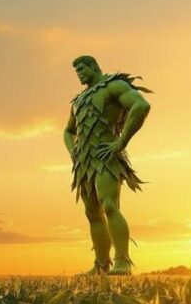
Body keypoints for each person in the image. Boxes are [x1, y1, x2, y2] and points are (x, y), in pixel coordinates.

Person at [64, 55, 152, 275]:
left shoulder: (113, 85)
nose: (79, 74)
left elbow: (141, 105)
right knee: (92, 212)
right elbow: (68, 131)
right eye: (76, 72)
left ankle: (122, 261)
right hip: (85, 163)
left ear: (94, 66)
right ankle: (101, 265)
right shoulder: (79, 100)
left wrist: (120, 143)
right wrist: (72, 150)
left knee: (109, 205)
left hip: (106, 157)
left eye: (82, 69)